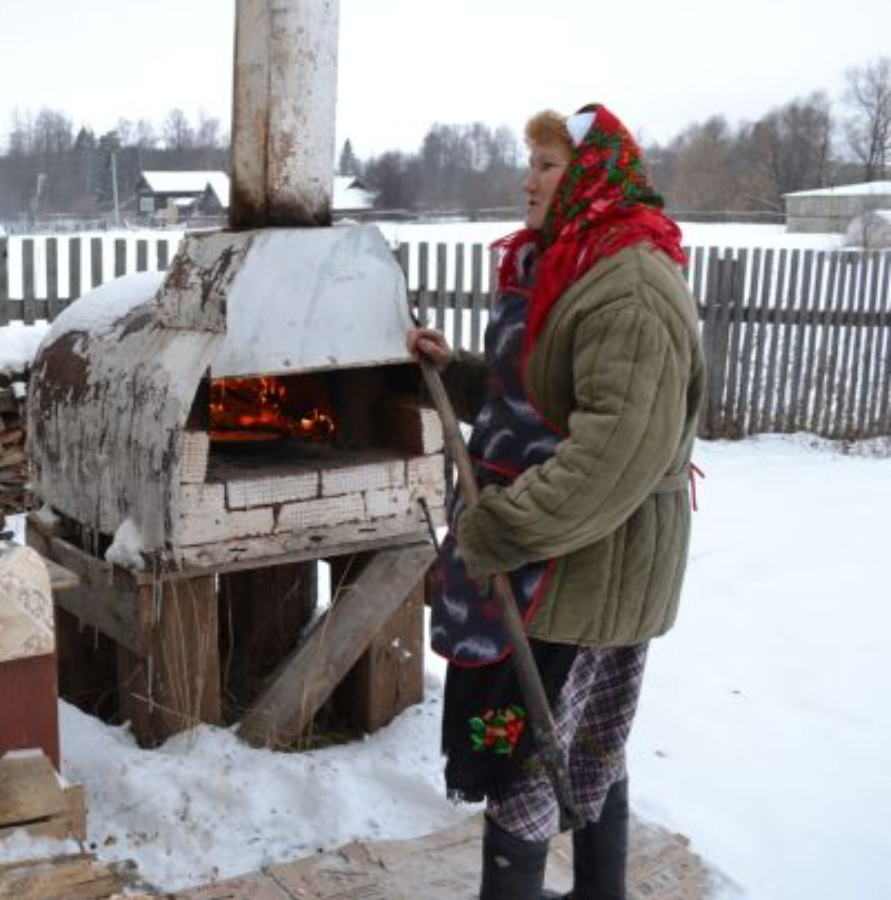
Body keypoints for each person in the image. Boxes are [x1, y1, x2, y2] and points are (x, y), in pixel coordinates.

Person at [407, 105, 705, 900]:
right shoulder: (567, 264)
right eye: (529, 161)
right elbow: (535, 403)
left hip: (587, 554)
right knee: (570, 745)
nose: (527, 178)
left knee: (538, 753)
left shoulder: (631, 284)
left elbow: (618, 451)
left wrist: (500, 527)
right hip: (564, 546)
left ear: (591, 177)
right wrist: (459, 370)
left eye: (545, 163)